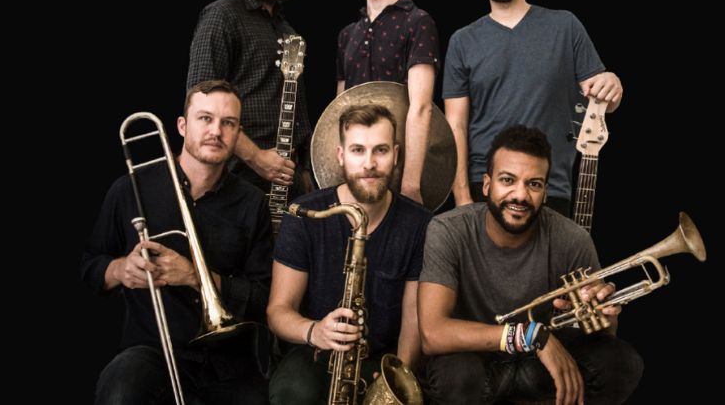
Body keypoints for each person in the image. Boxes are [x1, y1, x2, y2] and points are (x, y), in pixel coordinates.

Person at [417, 125, 642, 404]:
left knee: (620, 362)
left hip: (539, 370)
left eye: (533, 184)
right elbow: (432, 333)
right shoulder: (448, 230)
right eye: (507, 180)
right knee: (455, 375)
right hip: (478, 365)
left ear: (545, 192)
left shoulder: (572, 238)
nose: (520, 196)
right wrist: (531, 335)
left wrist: (605, 316)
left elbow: (603, 336)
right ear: (486, 184)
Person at [82, 80, 272, 405]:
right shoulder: (131, 188)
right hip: (152, 350)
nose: (216, 131)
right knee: (120, 390)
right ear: (182, 126)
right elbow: (90, 267)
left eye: (228, 123)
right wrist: (120, 269)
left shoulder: (252, 203)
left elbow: (263, 298)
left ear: (238, 133)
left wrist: (195, 277)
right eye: (205, 118)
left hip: (227, 362)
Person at [443, 0, 624, 216]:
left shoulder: (565, 26)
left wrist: (613, 85)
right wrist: (462, 197)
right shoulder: (462, 41)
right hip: (486, 185)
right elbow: (456, 126)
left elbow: (601, 100)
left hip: (551, 184)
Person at [266, 104, 431, 404]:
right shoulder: (304, 215)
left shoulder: (419, 224)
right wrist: (315, 331)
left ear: (396, 154)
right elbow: (278, 311)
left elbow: (412, 322)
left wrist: (394, 383)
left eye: (380, 150)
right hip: (314, 351)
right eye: (358, 150)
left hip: (381, 359)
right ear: (341, 156)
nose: (369, 164)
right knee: (292, 392)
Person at [187, 0, 313, 197]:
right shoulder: (222, 16)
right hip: (238, 177)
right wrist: (256, 157)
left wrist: (304, 174)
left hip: (289, 179)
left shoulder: (289, 32)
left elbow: (298, 109)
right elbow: (200, 100)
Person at [337, 0, 440, 205]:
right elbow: (340, 110)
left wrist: (410, 184)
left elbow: (421, 107)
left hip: (400, 168)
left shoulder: (417, 22)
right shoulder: (347, 35)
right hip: (358, 170)